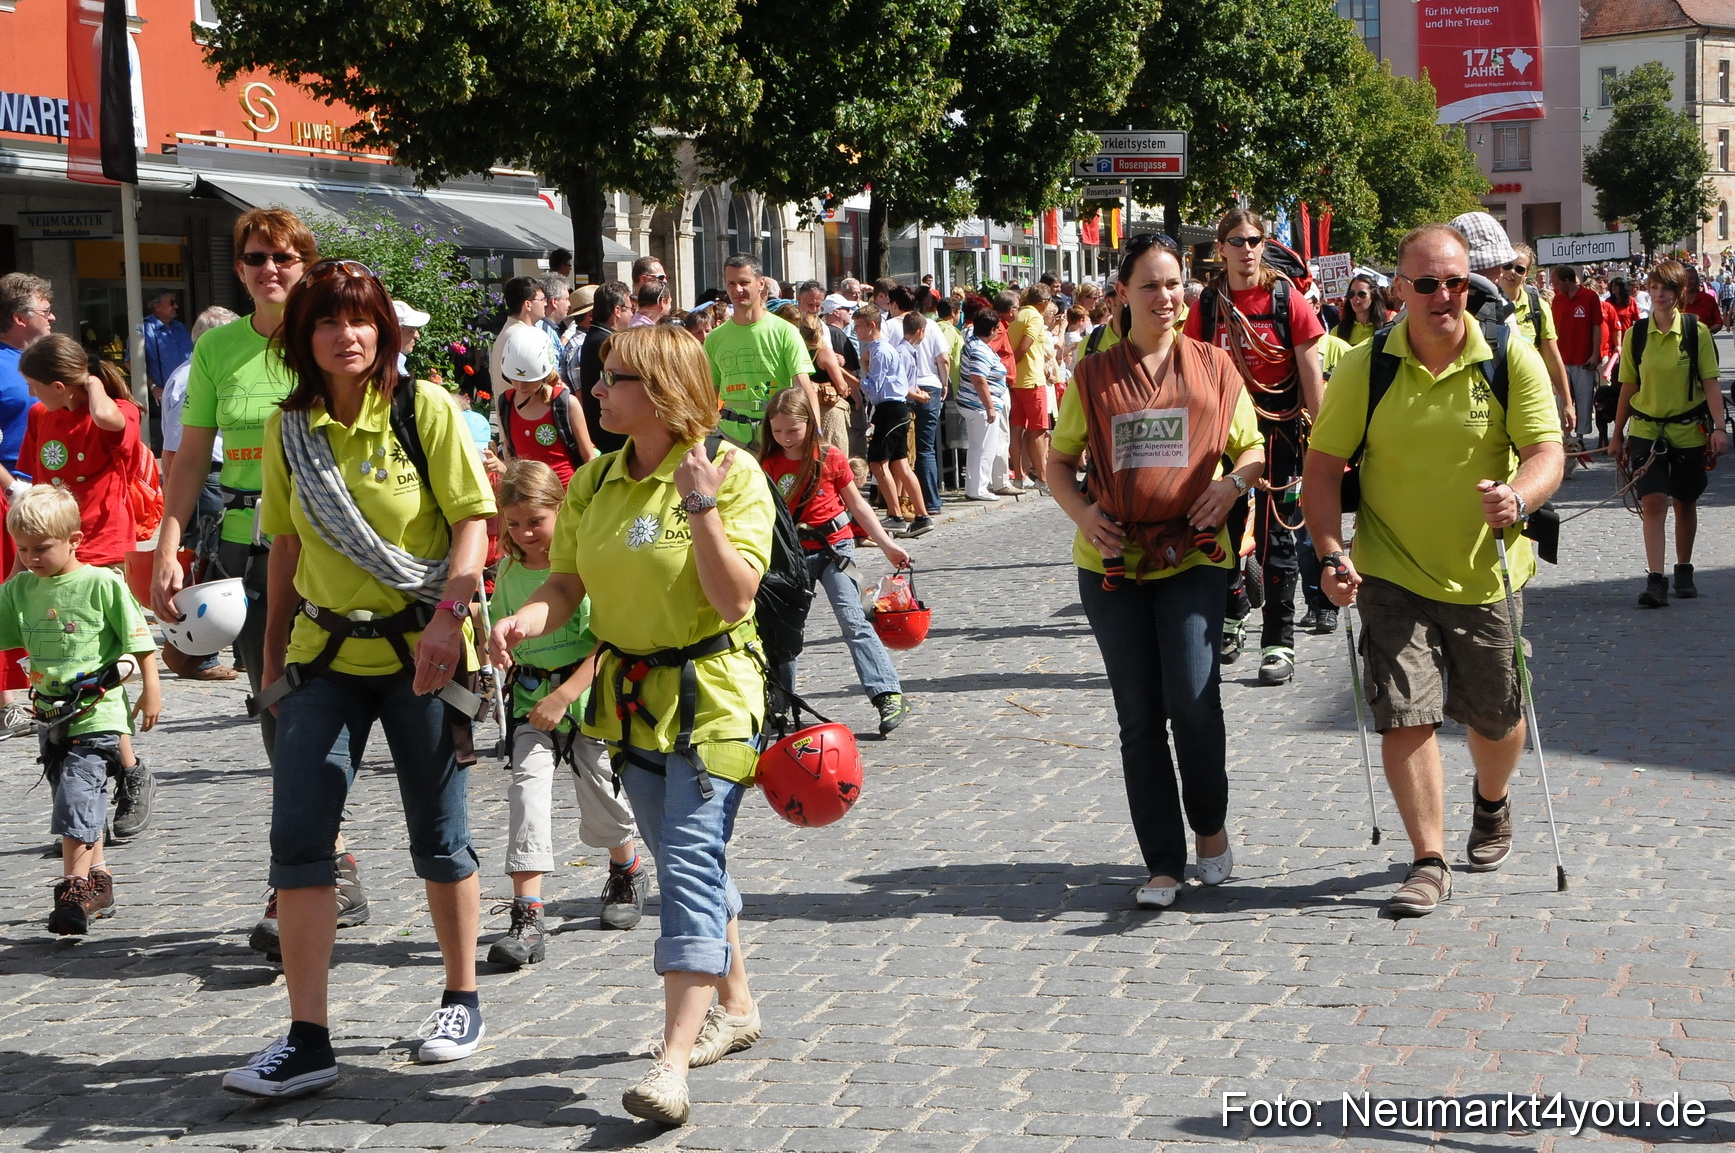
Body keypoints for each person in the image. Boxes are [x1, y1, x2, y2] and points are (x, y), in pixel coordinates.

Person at [222, 257, 498, 1098]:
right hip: (324, 656)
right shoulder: (288, 429)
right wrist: (271, 661)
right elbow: (285, 547)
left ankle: (460, 996)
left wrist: (451, 620)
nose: (347, 335)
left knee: (438, 833)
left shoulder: (424, 411)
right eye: (327, 323)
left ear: (381, 329)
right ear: (303, 339)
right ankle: (308, 1036)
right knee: (299, 841)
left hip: (425, 649)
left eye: (361, 319)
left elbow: (473, 525)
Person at [490, 325, 770, 1128]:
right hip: (632, 698)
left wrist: (700, 507)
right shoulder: (594, 483)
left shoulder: (729, 471)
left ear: (659, 391)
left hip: (713, 694)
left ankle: (673, 1061)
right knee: (691, 855)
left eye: (613, 379)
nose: (598, 391)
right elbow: (567, 584)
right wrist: (522, 620)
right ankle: (738, 1003)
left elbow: (734, 599)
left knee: (684, 864)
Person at [1301, 223, 1564, 918]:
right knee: (1403, 712)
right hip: (1390, 568)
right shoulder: (1366, 366)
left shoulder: (1508, 356)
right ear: (1399, 290)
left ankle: (1491, 800)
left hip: (1486, 572)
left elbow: (1545, 452)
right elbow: (1321, 471)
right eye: (1426, 283)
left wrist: (1519, 496)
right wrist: (1331, 552)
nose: (1443, 295)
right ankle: (1428, 857)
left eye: (1453, 281)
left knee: (1497, 713)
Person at [148, 208, 370, 954]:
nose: (268, 268)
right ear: (237, 268)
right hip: (248, 553)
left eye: (282, 255)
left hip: (328, 549)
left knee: (322, 707)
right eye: (254, 257)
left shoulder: (328, 337)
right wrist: (167, 542)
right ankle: (325, 860)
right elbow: (188, 458)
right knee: (278, 708)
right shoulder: (218, 350)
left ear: (304, 262)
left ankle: (309, 869)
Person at [1045, 233, 1265, 909]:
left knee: (1194, 702)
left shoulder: (1214, 367)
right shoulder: (1094, 375)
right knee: (1139, 717)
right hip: (1111, 567)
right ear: (1122, 294)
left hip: (1194, 556)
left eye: (1175, 284)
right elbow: (1056, 462)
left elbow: (1252, 449)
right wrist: (1083, 514)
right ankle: (1162, 861)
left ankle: (1209, 826)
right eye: (1150, 285)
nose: (1166, 297)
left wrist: (1230, 487)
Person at [486, 460, 648, 967]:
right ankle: (527, 912)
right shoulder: (508, 570)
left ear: (562, 510)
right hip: (530, 702)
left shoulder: (586, 568)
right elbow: (503, 625)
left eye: (536, 521)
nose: (525, 533)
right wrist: (497, 645)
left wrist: (565, 695)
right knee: (526, 795)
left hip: (587, 701)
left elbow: (606, 644)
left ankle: (626, 869)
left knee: (603, 798)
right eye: (513, 524)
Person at [15, 333, 160, 835]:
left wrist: (94, 382)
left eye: (38, 386)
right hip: (51, 550)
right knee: (65, 661)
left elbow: (109, 422)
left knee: (100, 664)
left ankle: (128, 772)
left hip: (98, 551)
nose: (33, 397)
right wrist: (22, 558)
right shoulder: (42, 417)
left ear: (61, 384)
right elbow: (36, 484)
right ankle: (105, 775)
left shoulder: (117, 407)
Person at [0, 485, 160, 933]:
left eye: (42, 548)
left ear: (74, 539)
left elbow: (139, 640)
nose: (32, 557)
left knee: (75, 795)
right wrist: (14, 576)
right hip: (50, 715)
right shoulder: (21, 590)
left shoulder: (101, 584)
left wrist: (152, 690)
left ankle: (72, 889)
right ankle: (100, 879)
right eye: (23, 548)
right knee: (76, 798)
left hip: (99, 711)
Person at [1185, 210, 1326, 687]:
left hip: (1279, 435)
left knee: (1277, 539)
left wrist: (1327, 446)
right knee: (1220, 530)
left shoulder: (1289, 300)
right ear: (1220, 248)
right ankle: (1232, 609)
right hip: (1222, 436)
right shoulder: (1206, 305)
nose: (1247, 249)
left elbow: (1312, 380)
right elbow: (1190, 374)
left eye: (1254, 240)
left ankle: (1278, 641)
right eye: (1236, 241)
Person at [759, 388, 912, 734]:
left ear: (809, 425)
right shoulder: (766, 464)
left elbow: (857, 505)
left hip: (834, 549)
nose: (785, 438)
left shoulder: (829, 458)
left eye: (793, 431)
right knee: (783, 631)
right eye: (778, 431)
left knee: (853, 620)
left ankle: (887, 693)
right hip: (792, 555)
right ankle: (781, 702)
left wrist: (887, 544)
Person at [1611, 259, 1726, 607]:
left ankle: (1684, 568)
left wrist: (1719, 428)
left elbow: (1711, 384)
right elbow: (1628, 387)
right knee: (1654, 501)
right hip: (1646, 430)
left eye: (1666, 289)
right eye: (1654, 287)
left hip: (1689, 431)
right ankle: (1656, 579)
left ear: (1679, 294)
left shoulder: (1696, 332)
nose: (1659, 294)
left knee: (1685, 502)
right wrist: (1617, 435)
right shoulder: (1637, 334)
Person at [159, 305, 241, 682]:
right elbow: (178, 446)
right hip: (209, 475)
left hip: (222, 475)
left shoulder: (194, 373)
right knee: (213, 563)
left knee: (228, 562)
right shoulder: (193, 376)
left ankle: (238, 649)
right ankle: (193, 652)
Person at [0, 272, 55, 739]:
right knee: (7, 590)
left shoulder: (32, 362)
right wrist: (12, 489)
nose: (52, 316)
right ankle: (6, 701)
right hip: (9, 498)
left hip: (35, 497)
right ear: (19, 318)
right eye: (43, 310)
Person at [705, 253, 817, 448]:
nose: (737, 289)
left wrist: (815, 434)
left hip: (777, 437)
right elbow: (708, 393)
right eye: (731, 284)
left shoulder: (785, 331)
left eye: (744, 282)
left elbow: (803, 387)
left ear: (761, 283)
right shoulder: (715, 338)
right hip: (731, 437)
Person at [854, 309, 930, 535]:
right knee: (900, 464)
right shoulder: (880, 350)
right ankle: (921, 516)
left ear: (870, 325)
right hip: (894, 409)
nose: (856, 330)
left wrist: (848, 376)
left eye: (859, 325)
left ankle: (895, 514)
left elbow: (873, 388)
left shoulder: (881, 351)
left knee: (878, 462)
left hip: (890, 410)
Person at [497, 325, 595, 485]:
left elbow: (589, 456)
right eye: (515, 378)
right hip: (526, 496)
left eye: (529, 380)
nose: (521, 387)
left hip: (566, 497)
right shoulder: (506, 403)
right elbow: (510, 453)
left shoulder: (566, 403)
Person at [957, 308, 1013, 501]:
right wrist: (989, 407)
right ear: (991, 329)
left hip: (975, 404)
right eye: (997, 327)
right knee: (984, 448)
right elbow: (978, 378)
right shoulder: (980, 348)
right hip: (979, 406)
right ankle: (978, 488)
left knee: (977, 447)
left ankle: (975, 487)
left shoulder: (975, 344)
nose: (999, 331)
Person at [1549, 265, 1602, 448]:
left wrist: (1595, 354)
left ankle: (1580, 437)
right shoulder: (1557, 300)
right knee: (1562, 400)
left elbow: (1597, 326)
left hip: (1583, 358)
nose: (1554, 286)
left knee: (1584, 398)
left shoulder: (1590, 297)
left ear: (1566, 280)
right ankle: (1566, 435)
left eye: (1556, 282)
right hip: (1561, 358)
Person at [578, 282, 633, 456]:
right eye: (630, 309)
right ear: (617, 311)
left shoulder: (596, 336)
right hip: (610, 431)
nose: (632, 314)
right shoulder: (606, 342)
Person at [1007, 285, 1052, 494]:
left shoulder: (1019, 314)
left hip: (1016, 382)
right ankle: (1042, 478)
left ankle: (1019, 476)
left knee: (1016, 429)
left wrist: (1010, 371)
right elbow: (1025, 346)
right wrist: (1013, 365)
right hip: (1032, 380)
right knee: (1038, 431)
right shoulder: (1035, 317)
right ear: (1044, 301)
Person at [489, 276, 549, 396]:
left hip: (513, 410)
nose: (546, 304)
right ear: (528, 304)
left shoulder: (509, 331)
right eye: (542, 300)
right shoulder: (524, 337)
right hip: (525, 411)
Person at [1333, 276, 1388, 347]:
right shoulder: (1336, 331)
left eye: (1362, 294)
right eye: (1351, 294)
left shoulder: (1386, 330)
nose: (1355, 298)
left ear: (1373, 296)